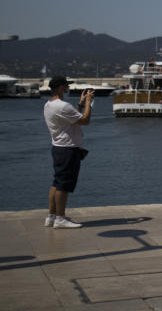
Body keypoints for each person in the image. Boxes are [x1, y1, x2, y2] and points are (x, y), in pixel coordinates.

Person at [43, 76, 93, 229]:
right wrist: (89, 103)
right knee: (64, 185)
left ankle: (51, 216)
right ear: (58, 87)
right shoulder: (63, 106)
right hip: (68, 149)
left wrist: (80, 104)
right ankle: (60, 218)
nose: (67, 88)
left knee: (57, 182)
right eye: (65, 85)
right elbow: (85, 120)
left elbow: (72, 119)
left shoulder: (48, 104)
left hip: (58, 147)